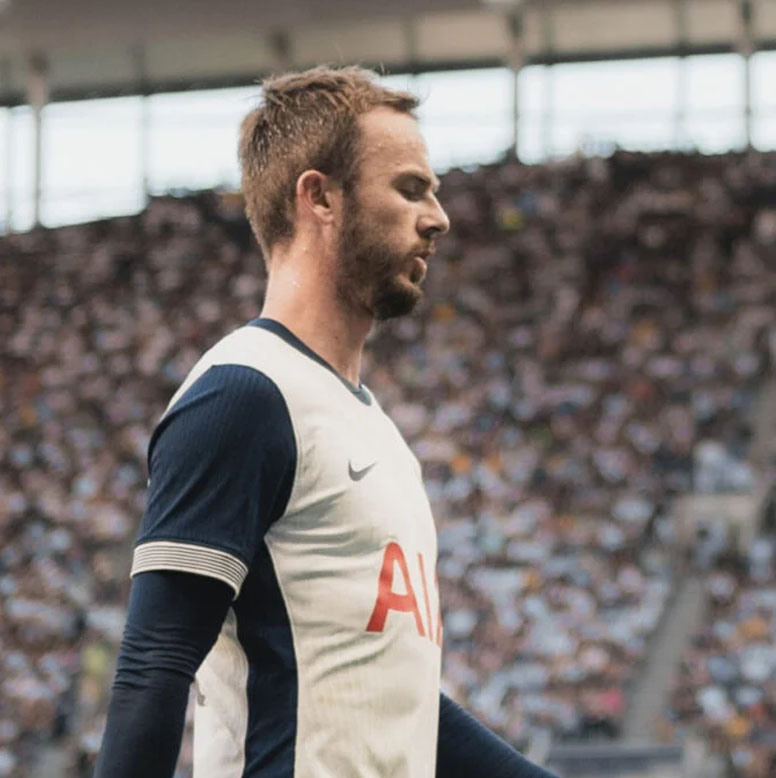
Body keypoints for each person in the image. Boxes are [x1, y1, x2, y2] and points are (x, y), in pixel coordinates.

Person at [95, 65, 559, 778]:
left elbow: (397, 702)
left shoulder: (374, 430)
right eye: (410, 188)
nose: (438, 217)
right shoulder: (243, 397)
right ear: (320, 198)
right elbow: (153, 665)